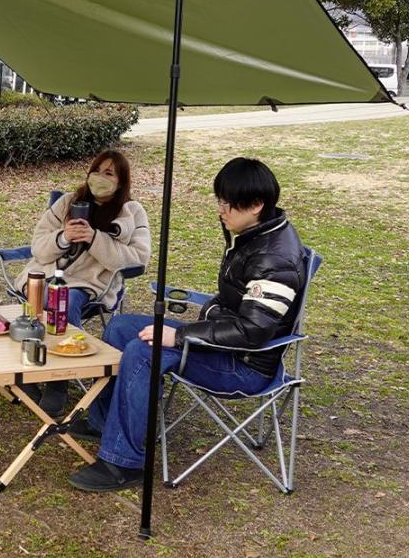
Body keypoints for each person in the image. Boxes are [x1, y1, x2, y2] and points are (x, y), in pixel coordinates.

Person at [67, 157, 307, 492]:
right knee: (120, 327)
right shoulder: (254, 233)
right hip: (220, 342)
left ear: (256, 205)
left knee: (143, 351)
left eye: (228, 204)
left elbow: (253, 331)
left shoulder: (274, 258)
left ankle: (124, 462)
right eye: (219, 200)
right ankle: (108, 423)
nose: (221, 210)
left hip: (244, 366)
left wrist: (179, 335)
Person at [16, 149, 151, 417]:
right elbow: (39, 248)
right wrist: (64, 237)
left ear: (121, 182)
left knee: (62, 301)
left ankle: (58, 380)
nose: (99, 177)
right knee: (38, 298)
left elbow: (137, 259)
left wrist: (94, 239)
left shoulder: (131, 212)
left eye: (109, 173)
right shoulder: (67, 203)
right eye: (96, 171)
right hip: (47, 272)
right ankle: (28, 371)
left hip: (89, 283)